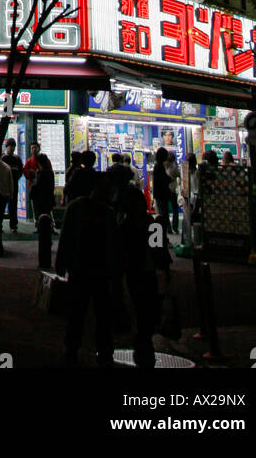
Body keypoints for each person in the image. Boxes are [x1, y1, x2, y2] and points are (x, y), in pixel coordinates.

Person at [55, 174, 119, 366]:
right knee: (90, 311)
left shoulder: (86, 209)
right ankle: (97, 350)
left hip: (85, 269)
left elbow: (66, 236)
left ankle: (81, 349)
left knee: (84, 311)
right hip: (88, 269)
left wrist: (61, 261)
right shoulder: (102, 212)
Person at [119, 186, 162, 368]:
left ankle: (141, 337)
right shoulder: (150, 222)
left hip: (135, 271)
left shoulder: (125, 226)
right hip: (146, 270)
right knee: (147, 304)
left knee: (139, 303)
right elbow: (159, 251)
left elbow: (120, 252)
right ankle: (145, 338)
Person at [2, 138, 24, 233]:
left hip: (14, 185)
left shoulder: (17, 159)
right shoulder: (3, 158)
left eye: (13, 146)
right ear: (7, 147)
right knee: (1, 206)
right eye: (10, 146)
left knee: (13, 205)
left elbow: (20, 171)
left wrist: (15, 179)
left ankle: (13, 225)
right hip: (4, 186)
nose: (12, 148)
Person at [29, 153, 56, 230]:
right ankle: (51, 227)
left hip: (40, 198)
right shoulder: (50, 172)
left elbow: (37, 185)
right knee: (48, 212)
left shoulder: (40, 173)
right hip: (49, 196)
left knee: (40, 213)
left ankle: (41, 228)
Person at [106, 152, 135, 221]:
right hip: (124, 193)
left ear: (112, 160)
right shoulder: (126, 169)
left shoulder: (109, 169)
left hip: (113, 194)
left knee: (113, 211)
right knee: (121, 211)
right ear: (120, 160)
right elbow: (132, 176)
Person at [152, 147, 172, 232]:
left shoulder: (157, 166)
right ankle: (165, 229)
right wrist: (169, 179)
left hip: (159, 194)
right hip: (162, 194)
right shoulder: (160, 166)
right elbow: (163, 179)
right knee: (164, 213)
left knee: (163, 212)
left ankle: (167, 228)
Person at [164, 149, 182, 233]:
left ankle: (168, 227)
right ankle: (175, 227)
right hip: (173, 189)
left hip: (166, 189)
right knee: (175, 209)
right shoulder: (174, 166)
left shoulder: (164, 166)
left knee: (166, 210)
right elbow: (179, 174)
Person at [24, 141, 42, 223]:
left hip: (42, 188)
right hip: (33, 188)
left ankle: (49, 225)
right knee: (35, 208)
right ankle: (37, 224)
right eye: (32, 148)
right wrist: (31, 175)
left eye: (35, 147)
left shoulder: (43, 160)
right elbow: (25, 171)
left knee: (44, 207)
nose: (33, 150)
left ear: (39, 148)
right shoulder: (29, 161)